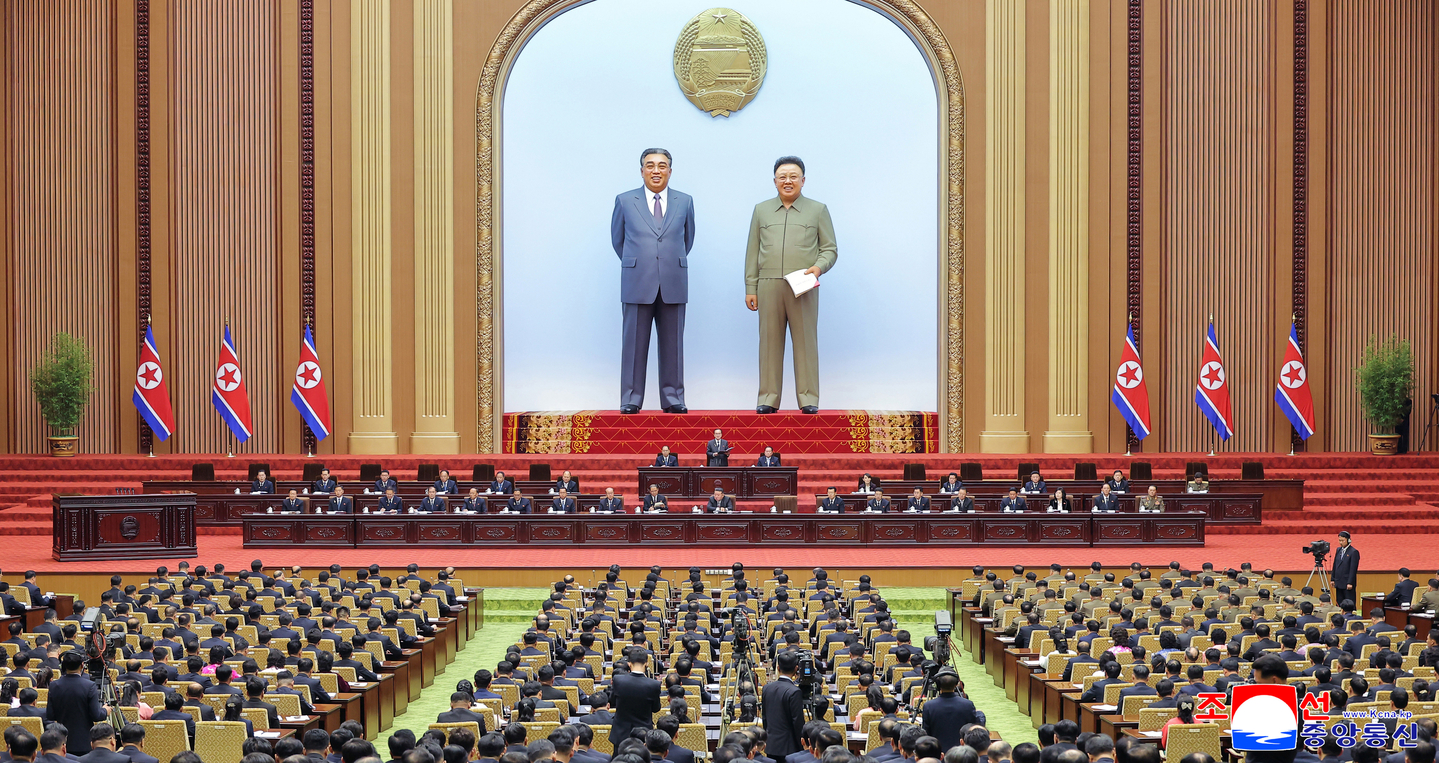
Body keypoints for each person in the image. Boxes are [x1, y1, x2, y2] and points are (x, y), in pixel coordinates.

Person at [744, 155, 838, 415]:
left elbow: (830, 249)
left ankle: (808, 398)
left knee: (806, 342)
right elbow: (752, 252)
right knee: (769, 343)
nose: (788, 181)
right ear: (774, 181)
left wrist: (818, 268)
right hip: (768, 285)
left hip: (803, 286)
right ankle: (768, 397)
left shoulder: (818, 210)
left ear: (803, 180)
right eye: (782, 177)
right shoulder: (761, 210)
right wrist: (751, 287)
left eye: (793, 176)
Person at [612, 148, 695, 414]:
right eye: (650, 165)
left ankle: (673, 398)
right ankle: (631, 399)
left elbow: (688, 239)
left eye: (662, 165)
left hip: (673, 280)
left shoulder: (685, 201)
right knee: (633, 345)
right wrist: (642, 262)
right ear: (642, 171)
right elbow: (618, 241)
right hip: (637, 280)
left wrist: (665, 262)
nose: (656, 170)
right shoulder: (625, 200)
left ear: (670, 171)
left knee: (674, 345)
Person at [45, 650, 109, 754]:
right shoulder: (89, 686)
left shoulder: (54, 685)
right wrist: (105, 711)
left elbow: (50, 715)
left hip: (61, 741)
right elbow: (96, 716)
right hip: (84, 742)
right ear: (82, 665)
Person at [762, 652, 806, 763]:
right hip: (790, 747)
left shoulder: (766, 688)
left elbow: (764, 718)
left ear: (778, 668)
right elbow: (797, 722)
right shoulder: (794, 691)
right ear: (796, 668)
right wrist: (801, 745)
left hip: (771, 745)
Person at [920, 669, 979, 751]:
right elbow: (972, 729)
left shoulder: (929, 706)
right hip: (963, 752)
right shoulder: (968, 704)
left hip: (937, 751)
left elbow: (926, 733)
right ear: (956, 685)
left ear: (938, 685)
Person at [608, 653, 661, 745]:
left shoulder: (618, 680)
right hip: (643, 732)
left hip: (621, 732)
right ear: (647, 663)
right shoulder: (654, 684)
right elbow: (656, 708)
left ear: (629, 664)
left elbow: (612, 701)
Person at [1331, 531, 1359, 601]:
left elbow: (1353, 569)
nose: (1341, 542)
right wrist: (1332, 579)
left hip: (1347, 583)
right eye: (1339, 540)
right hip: (1338, 582)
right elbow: (1335, 565)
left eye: (1342, 540)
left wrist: (1350, 582)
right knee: (1339, 602)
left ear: (1348, 540)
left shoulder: (1353, 552)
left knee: (1349, 602)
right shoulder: (1338, 550)